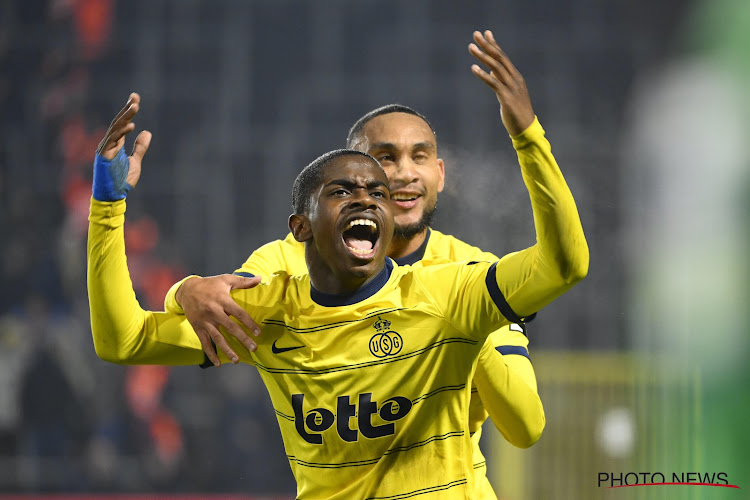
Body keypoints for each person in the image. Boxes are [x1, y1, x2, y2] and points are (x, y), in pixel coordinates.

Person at [88, 31, 588, 499]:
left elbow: (526, 426)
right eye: (382, 162)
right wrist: (182, 287)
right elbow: (125, 340)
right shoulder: (278, 279)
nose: (403, 175)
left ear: (440, 173)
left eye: (419, 157)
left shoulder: (465, 280)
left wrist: (462, 335)